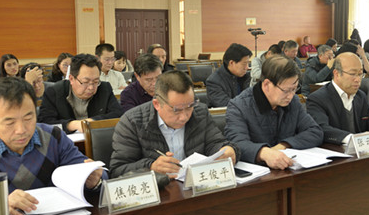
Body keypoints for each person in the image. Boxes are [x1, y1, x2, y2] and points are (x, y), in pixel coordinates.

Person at [0, 77, 106, 215]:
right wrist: (1, 203)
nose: (21, 130)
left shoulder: (53, 136)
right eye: (10, 122)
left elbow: (97, 174)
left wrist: (94, 180)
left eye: (28, 118)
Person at [110, 70, 239, 177]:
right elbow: (117, 170)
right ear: (157, 104)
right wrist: (150, 167)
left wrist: (228, 150)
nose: (184, 117)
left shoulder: (200, 112)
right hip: (160, 192)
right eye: (177, 110)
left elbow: (215, 143)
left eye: (190, 106)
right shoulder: (132, 122)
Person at [225, 56, 323, 170]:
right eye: (286, 90)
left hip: (288, 169)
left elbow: (315, 131)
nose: (291, 96)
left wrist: (284, 145)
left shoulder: (293, 102)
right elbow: (237, 144)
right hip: (258, 173)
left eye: (294, 89)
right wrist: (264, 153)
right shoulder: (239, 106)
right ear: (266, 85)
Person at [307, 53, 369, 145]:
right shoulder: (317, 98)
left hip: (360, 148)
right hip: (335, 148)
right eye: (352, 74)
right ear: (336, 74)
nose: (358, 79)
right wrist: (351, 138)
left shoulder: (360, 95)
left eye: (360, 74)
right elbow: (321, 128)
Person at [38, 54, 123, 133]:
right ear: (71, 79)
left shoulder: (104, 88)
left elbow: (118, 114)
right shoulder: (54, 92)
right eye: (85, 82)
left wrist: (92, 121)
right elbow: (44, 123)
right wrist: (71, 125)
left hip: (97, 140)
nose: (91, 87)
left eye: (95, 81)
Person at [206, 43, 252, 107]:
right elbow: (225, 104)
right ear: (231, 63)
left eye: (248, 63)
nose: (247, 67)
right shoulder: (213, 81)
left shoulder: (246, 77)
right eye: (244, 64)